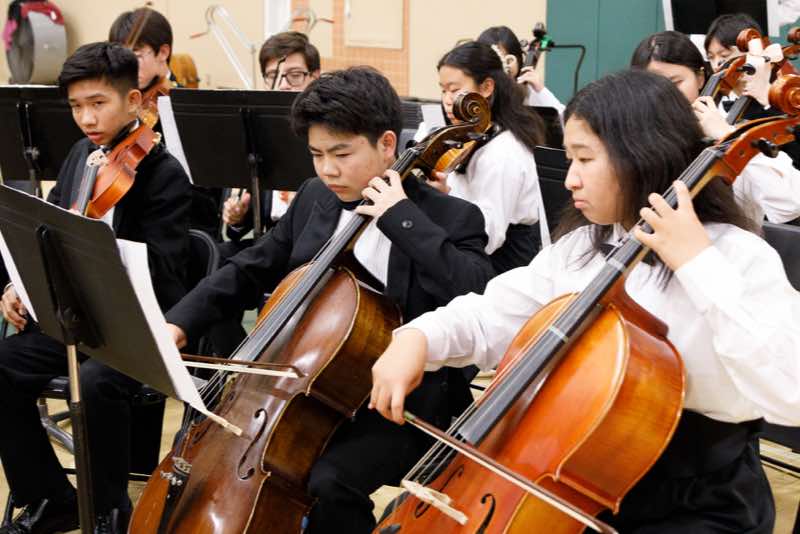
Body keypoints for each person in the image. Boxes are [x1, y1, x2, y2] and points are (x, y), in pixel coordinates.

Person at [370, 69, 800, 533]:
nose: (570, 180)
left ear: (642, 155)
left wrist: (698, 266)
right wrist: (419, 337)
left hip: (699, 503)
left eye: (585, 159)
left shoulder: (737, 256)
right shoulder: (583, 248)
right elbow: (494, 314)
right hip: (574, 476)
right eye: (570, 159)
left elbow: (790, 393)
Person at [163, 66, 495, 533]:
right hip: (309, 391)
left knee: (328, 480)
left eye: (342, 153)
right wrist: (179, 322)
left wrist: (401, 217)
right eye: (317, 154)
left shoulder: (451, 216)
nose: (327, 170)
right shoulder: (315, 197)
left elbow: (477, 290)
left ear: (386, 144)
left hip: (403, 402)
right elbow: (252, 265)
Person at [0, 42, 191, 534]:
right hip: (76, 318)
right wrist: (20, 284)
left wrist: (105, 261)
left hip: (135, 327)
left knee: (98, 384)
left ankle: (109, 512)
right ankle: (49, 497)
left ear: (134, 100)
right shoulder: (80, 155)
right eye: (76, 106)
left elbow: (166, 273)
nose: (86, 118)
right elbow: (49, 233)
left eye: (98, 103)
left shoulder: (163, 174)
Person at [631, 30, 800, 224]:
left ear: (700, 78)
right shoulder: (630, 139)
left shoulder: (725, 128)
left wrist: (728, 136)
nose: (664, 96)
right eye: (652, 88)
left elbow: (789, 206)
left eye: (675, 83)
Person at [432, 40, 550, 273]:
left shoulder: (503, 151)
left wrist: (443, 201)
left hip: (502, 268)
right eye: (443, 91)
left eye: (455, 90)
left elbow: (488, 236)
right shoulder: (474, 136)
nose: (447, 100)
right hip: (473, 254)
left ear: (486, 87)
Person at [109, 7, 224, 239]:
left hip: (177, 230)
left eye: (136, 55)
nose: (125, 66)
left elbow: (205, 198)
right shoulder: (122, 107)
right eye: (120, 56)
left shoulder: (188, 111)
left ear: (163, 53)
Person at [221, 31, 322, 255]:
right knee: (219, 255)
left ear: (314, 77)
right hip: (269, 241)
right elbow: (238, 230)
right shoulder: (259, 131)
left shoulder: (326, 132)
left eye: (294, 75)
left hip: (311, 246)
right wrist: (238, 217)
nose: (283, 85)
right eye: (273, 76)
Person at [477, 25, 565, 116]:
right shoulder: (477, 89)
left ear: (517, 59)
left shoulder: (528, 91)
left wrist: (540, 89)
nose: (503, 68)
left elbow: (564, 119)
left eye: (508, 61)